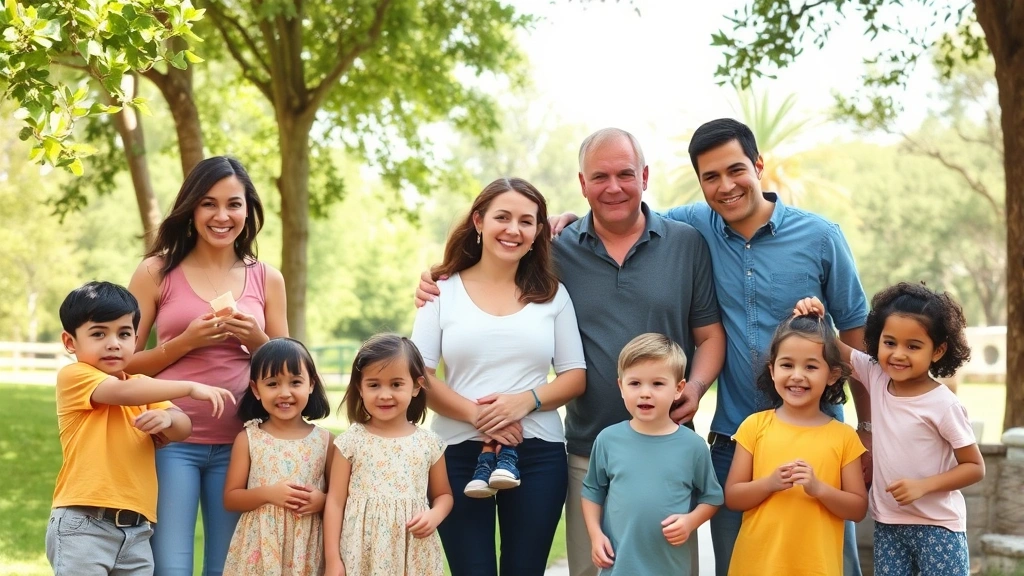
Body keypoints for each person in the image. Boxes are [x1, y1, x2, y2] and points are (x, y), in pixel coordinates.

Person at [550, 119, 869, 575]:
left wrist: (869, 429)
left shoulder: (819, 237)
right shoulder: (692, 227)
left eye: (736, 170)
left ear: (759, 166)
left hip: (816, 441)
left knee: (824, 565)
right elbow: (620, 207)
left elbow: (856, 341)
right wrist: (558, 219)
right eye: (710, 177)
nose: (726, 186)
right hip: (733, 444)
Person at [416, 131, 725, 576]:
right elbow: (422, 370)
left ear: (645, 176)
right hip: (586, 445)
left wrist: (695, 387)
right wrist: (438, 278)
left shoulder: (684, 243)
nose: (613, 187)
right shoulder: (557, 252)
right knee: (584, 568)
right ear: (582, 184)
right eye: (600, 176)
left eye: (625, 174)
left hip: (664, 442)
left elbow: (710, 336)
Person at [411, 177, 588, 575]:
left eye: (527, 221)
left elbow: (575, 376)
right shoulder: (440, 291)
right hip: (455, 452)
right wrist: (479, 416)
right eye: (502, 217)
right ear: (478, 221)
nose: (513, 229)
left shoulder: (553, 295)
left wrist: (524, 402)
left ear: (538, 232)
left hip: (537, 452)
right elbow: (418, 377)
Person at [127, 156, 288, 576]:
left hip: (242, 444)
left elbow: (291, 367)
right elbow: (120, 365)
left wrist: (257, 341)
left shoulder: (267, 278)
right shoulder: (155, 271)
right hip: (169, 440)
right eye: (208, 204)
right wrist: (185, 343)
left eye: (234, 204)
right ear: (191, 209)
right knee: (170, 567)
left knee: (227, 567)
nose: (222, 216)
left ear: (248, 210)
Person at [46, 281, 235, 576]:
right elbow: (120, 394)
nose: (113, 343)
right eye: (98, 334)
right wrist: (189, 387)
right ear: (70, 342)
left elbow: (183, 427)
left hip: (136, 533)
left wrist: (169, 420)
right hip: (84, 524)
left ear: (137, 338)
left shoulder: (140, 387)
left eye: (124, 334)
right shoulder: (75, 376)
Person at [795, 284, 984, 575]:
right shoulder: (875, 375)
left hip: (938, 527)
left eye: (913, 346)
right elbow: (833, 346)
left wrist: (924, 486)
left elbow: (974, 467)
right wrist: (818, 317)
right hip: (888, 524)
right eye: (890, 342)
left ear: (938, 350)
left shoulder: (943, 405)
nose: (898, 354)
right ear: (876, 340)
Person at [725, 315, 867, 575]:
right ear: (772, 370)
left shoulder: (844, 437)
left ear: (832, 374)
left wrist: (818, 488)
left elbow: (858, 509)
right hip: (757, 566)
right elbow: (733, 496)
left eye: (811, 367)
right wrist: (769, 483)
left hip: (817, 567)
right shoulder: (753, 427)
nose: (797, 376)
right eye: (787, 365)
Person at [582, 333, 722, 575]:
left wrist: (690, 522)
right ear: (621, 387)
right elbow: (592, 490)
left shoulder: (692, 446)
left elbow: (712, 497)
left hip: (669, 566)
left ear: (679, 389)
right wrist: (596, 535)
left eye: (657, 384)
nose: (645, 393)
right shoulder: (608, 440)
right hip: (619, 565)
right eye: (635, 383)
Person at [323, 334, 453, 576]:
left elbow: (443, 494)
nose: (384, 395)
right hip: (360, 552)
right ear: (360, 388)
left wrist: (435, 515)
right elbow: (335, 502)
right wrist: (333, 560)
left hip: (413, 552)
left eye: (396, 384)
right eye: (374, 385)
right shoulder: (351, 441)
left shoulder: (429, 444)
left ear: (416, 386)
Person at [222, 338, 333, 575]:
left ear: (311, 384)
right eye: (272, 384)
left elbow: (339, 497)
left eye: (295, 382)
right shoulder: (249, 438)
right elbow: (231, 499)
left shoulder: (326, 441)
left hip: (307, 548)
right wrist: (269, 494)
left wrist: (322, 501)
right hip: (259, 548)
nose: (285, 393)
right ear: (256, 389)